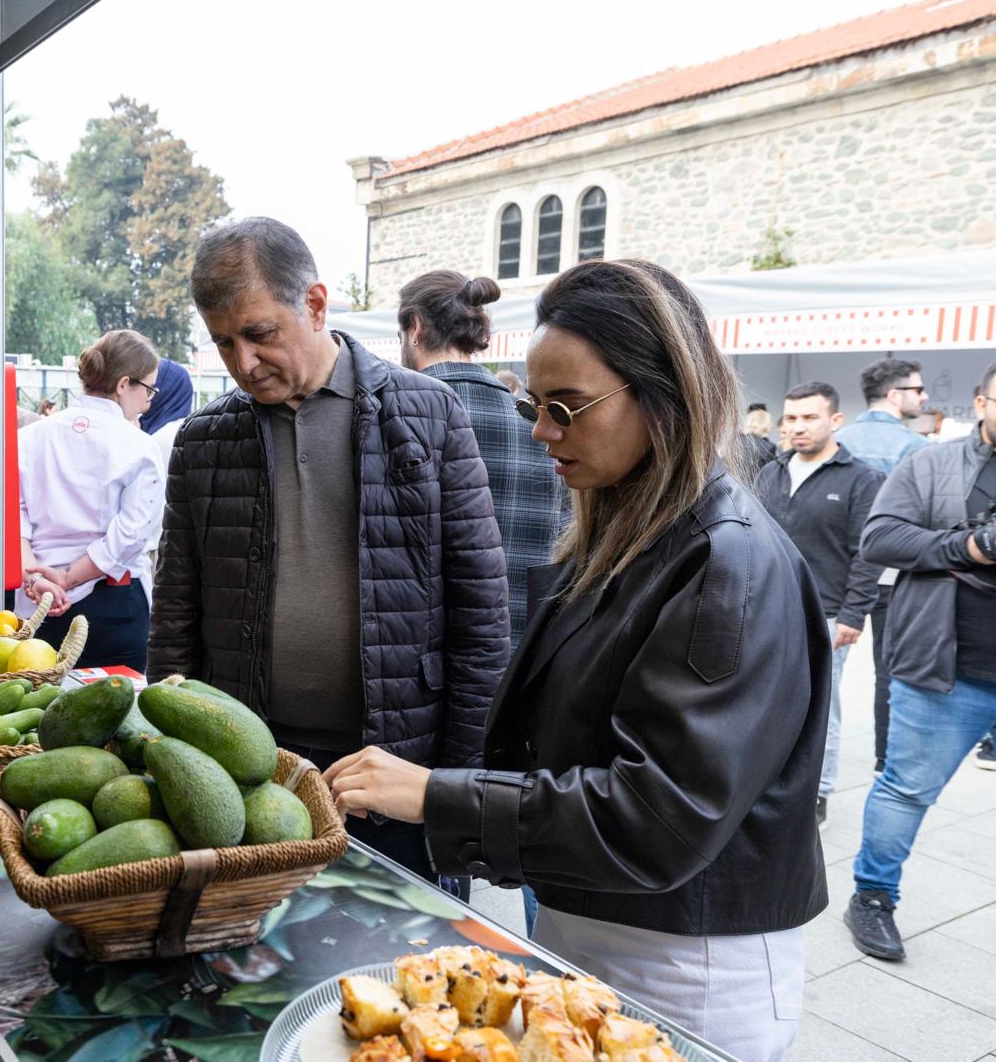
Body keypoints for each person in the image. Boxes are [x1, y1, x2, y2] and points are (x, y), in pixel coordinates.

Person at [326, 259, 829, 1062]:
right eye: (535, 404)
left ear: (663, 395)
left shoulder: (726, 568)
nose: (540, 432)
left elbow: (656, 818)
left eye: (566, 408)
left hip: (680, 957)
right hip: (603, 924)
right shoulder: (638, 535)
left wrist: (440, 797)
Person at [149, 217, 510, 883]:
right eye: (224, 343)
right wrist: (180, 764)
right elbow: (175, 621)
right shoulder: (202, 442)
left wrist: (447, 787)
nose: (243, 363)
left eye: (259, 334)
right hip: (254, 775)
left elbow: (481, 617)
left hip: (395, 770)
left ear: (314, 304)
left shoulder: (428, 414)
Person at [845, 362, 996, 962]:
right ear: (982, 401)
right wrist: (967, 545)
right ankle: (873, 897)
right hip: (946, 670)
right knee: (906, 790)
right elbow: (879, 538)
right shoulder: (930, 463)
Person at [398, 269, 564, 650]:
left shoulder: (392, 417)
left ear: (415, 326)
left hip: (422, 664)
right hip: (523, 657)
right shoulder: (543, 425)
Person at [754, 381, 883, 828]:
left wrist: (853, 613)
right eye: (790, 418)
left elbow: (868, 552)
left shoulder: (861, 478)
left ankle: (817, 791)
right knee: (763, 699)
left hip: (826, 614)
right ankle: (766, 779)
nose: (798, 427)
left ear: (835, 420)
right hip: (766, 608)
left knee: (820, 708)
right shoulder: (771, 471)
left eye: (809, 417)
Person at [18, 330, 165, 672]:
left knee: (28, 711)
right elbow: (129, 536)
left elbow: (14, 517)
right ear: (123, 384)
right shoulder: (139, 446)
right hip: (112, 605)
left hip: (34, 600)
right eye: (148, 389)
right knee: (116, 713)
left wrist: (37, 579)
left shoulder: (28, 438)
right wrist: (66, 579)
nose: (149, 401)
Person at [836, 357, 929, 773]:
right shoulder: (917, 449)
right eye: (918, 390)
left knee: (822, 673)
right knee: (889, 672)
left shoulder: (841, 439)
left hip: (841, 576)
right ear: (895, 395)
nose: (924, 397)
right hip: (895, 577)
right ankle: (884, 760)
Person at [139, 357, 195, 466]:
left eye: (150, 387)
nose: (139, 391)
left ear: (165, 391)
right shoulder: (144, 423)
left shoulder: (164, 439)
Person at [738, 402, 778, 472]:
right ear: (764, 422)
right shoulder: (768, 448)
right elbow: (769, 477)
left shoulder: (732, 442)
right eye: (770, 420)